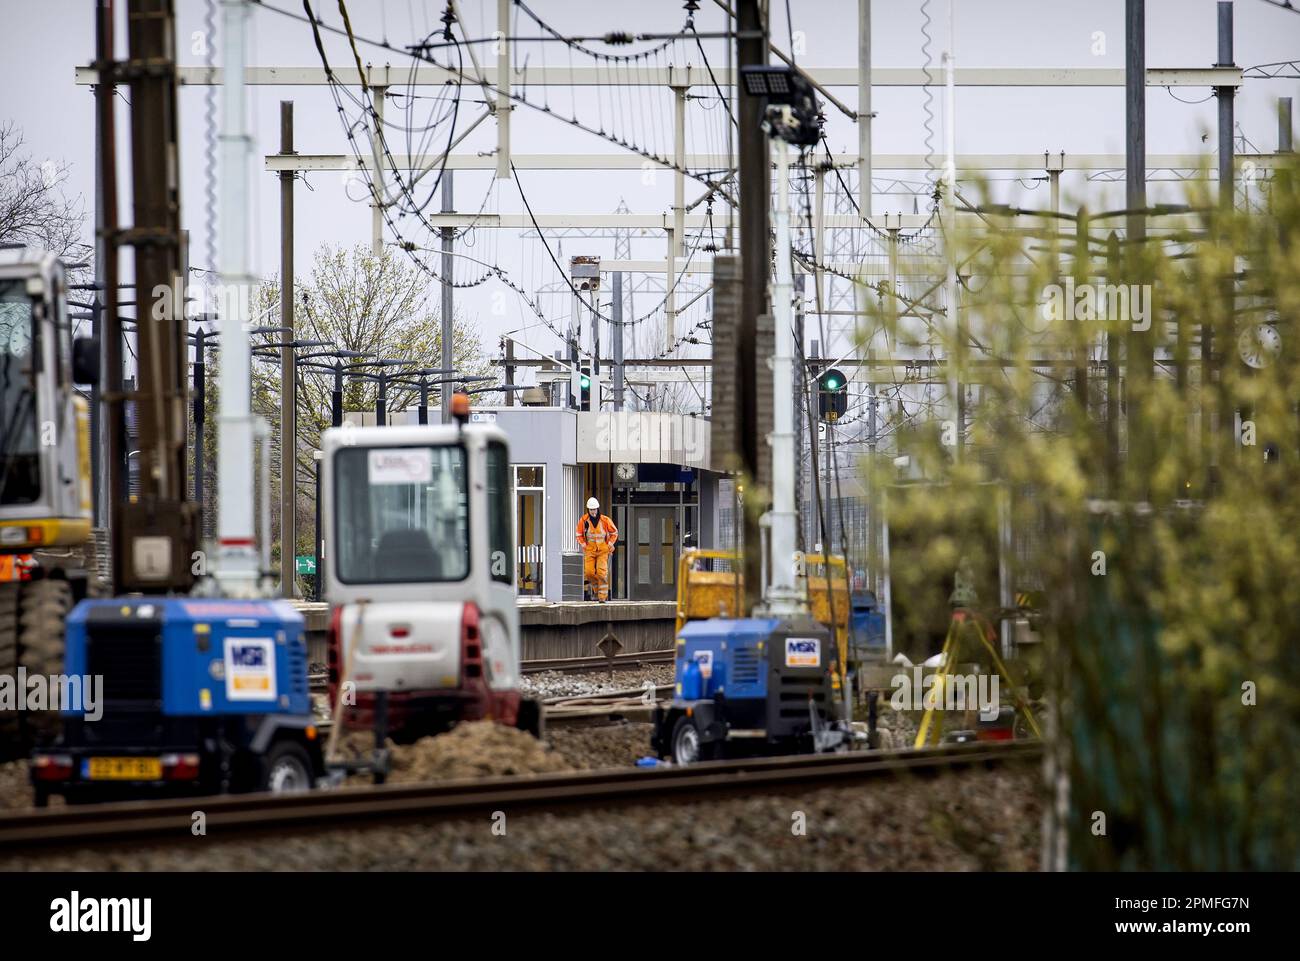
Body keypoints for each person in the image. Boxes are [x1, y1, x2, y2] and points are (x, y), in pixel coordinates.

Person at [576, 496, 618, 602]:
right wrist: (583, 544)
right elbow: (579, 534)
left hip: (603, 550)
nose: (593, 512)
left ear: (597, 509)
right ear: (588, 510)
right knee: (589, 573)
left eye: (594, 509)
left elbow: (614, 533)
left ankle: (602, 597)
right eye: (591, 510)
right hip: (590, 549)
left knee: (601, 573)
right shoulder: (584, 520)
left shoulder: (605, 520)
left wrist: (610, 544)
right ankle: (596, 589)